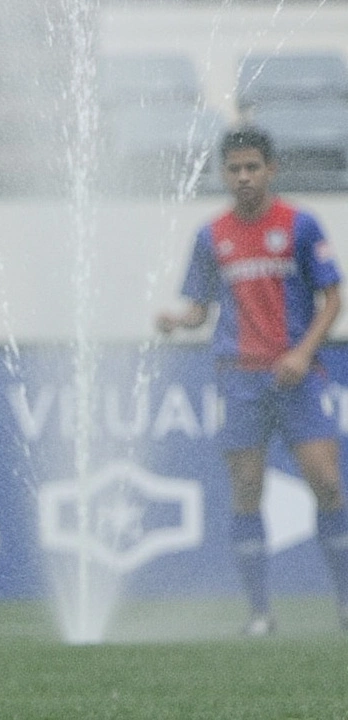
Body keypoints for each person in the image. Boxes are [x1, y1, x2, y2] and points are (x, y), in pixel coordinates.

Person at [156, 125, 348, 637]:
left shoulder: (301, 226)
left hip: (297, 377)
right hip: (240, 379)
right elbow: (200, 309)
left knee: (327, 485)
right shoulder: (210, 236)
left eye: (252, 167)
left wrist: (303, 353)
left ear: (271, 169)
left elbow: (333, 298)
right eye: (234, 169)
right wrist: (179, 320)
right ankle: (260, 614)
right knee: (246, 490)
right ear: (224, 173)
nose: (243, 177)